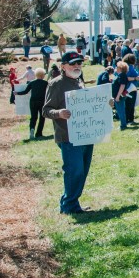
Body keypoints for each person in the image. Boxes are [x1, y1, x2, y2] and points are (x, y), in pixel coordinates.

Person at [43, 51, 97, 214]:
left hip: (85, 134)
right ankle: (68, 205)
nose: (76, 66)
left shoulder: (79, 81)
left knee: (82, 171)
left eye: (79, 63)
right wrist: (59, 113)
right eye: (72, 63)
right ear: (63, 66)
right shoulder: (56, 84)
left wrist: (105, 104)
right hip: (68, 136)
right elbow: (46, 110)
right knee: (75, 170)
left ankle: (72, 202)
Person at [16, 67, 48, 139]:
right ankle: (39, 133)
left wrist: (17, 93)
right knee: (42, 117)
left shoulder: (32, 83)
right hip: (42, 102)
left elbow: (25, 92)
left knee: (33, 117)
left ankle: (32, 130)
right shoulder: (46, 83)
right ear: (42, 75)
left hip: (33, 101)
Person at [112, 61, 130, 130]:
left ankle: (123, 125)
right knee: (120, 110)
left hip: (119, 96)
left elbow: (122, 86)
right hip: (117, 95)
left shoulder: (122, 75)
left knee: (120, 110)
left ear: (121, 68)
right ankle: (123, 124)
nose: (116, 68)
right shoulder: (119, 75)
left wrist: (117, 96)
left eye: (117, 67)